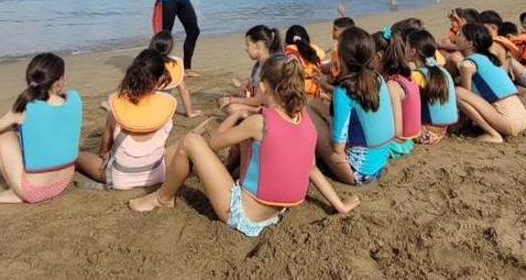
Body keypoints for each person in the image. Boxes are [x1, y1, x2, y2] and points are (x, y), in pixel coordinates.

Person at [129, 54, 360, 237]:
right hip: (277, 212)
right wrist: (339, 205)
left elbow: (213, 143)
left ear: (265, 87)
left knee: (191, 141)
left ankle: (162, 199)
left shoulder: (258, 123)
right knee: (253, 145)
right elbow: (311, 169)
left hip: (244, 216)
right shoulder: (305, 120)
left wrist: (236, 114)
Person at [0, 53, 82, 203]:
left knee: (0, 136)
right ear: (59, 81)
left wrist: (12, 117)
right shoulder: (74, 100)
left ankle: (15, 193)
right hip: (64, 182)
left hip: (33, 191)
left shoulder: (26, 109)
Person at [76, 49, 180, 190]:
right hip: (157, 175)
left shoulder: (118, 108)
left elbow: (104, 146)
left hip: (120, 179)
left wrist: (104, 154)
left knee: (77, 156)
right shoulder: (167, 108)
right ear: (161, 79)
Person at [308, 27, 395, 185]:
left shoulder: (343, 91)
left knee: (307, 110)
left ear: (340, 57)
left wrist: (330, 121)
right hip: (382, 160)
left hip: (359, 171)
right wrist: (327, 89)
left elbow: (337, 148)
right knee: (314, 103)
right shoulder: (377, 78)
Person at [454, 24, 526, 143]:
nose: (456, 37)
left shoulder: (467, 64)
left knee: (458, 92)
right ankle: (493, 131)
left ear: (469, 43)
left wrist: (459, 124)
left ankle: (492, 134)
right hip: (521, 118)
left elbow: (466, 97)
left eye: (460, 35)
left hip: (508, 120)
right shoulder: (489, 58)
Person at [406, 29, 458, 145]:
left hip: (425, 132)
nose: (404, 49)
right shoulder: (442, 71)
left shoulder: (417, 75)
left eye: (406, 46)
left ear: (413, 51)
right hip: (443, 129)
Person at [218, 25, 281, 117]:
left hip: (271, 109)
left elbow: (257, 101)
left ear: (258, 45)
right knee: (225, 101)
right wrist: (247, 82)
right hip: (264, 103)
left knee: (232, 108)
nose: (246, 49)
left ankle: (258, 114)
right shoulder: (259, 64)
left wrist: (230, 99)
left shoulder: (268, 67)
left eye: (248, 45)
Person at [380, 26, 422, 158]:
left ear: (379, 56)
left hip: (399, 145)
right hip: (410, 139)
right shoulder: (407, 76)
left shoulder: (392, 85)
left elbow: (397, 132)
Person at [149, 31, 202, 118]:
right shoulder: (176, 63)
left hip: (146, 103)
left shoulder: (146, 62)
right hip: (163, 104)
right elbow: (183, 90)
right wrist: (190, 112)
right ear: (170, 48)